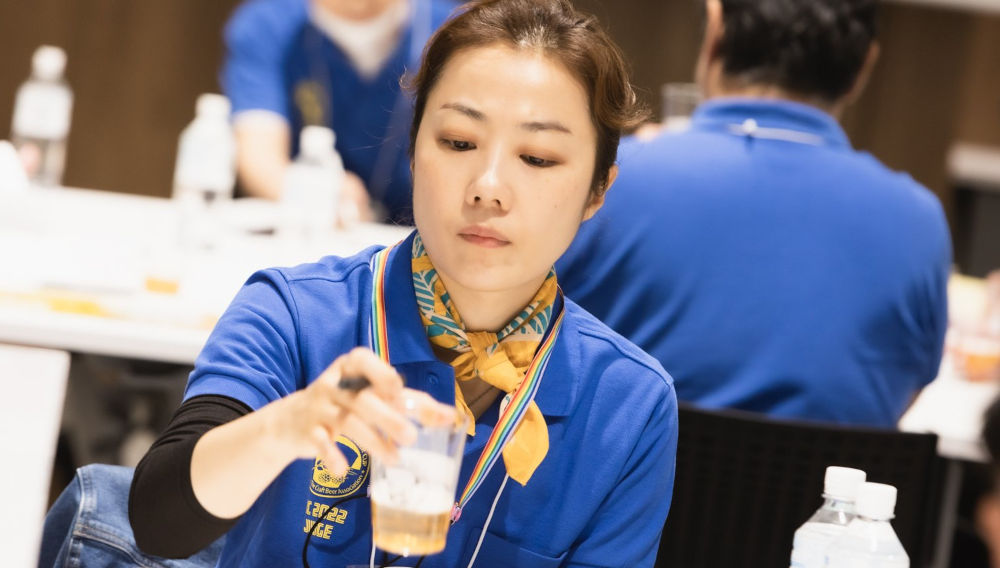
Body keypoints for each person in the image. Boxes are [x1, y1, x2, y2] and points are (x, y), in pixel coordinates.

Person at [124, 1, 677, 566]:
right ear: (415, 149)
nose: (488, 188)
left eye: (536, 157)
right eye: (459, 142)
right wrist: (287, 426)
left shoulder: (628, 403)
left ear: (597, 191)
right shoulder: (295, 313)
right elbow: (158, 523)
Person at [557, 0, 951, 428]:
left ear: (714, 31)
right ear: (865, 66)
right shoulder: (920, 220)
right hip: (821, 493)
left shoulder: (610, 184)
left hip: (623, 488)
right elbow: (906, 389)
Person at [223, 0, 457, 224]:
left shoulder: (454, 30)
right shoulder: (268, 24)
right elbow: (259, 157)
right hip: (310, 232)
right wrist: (312, 193)